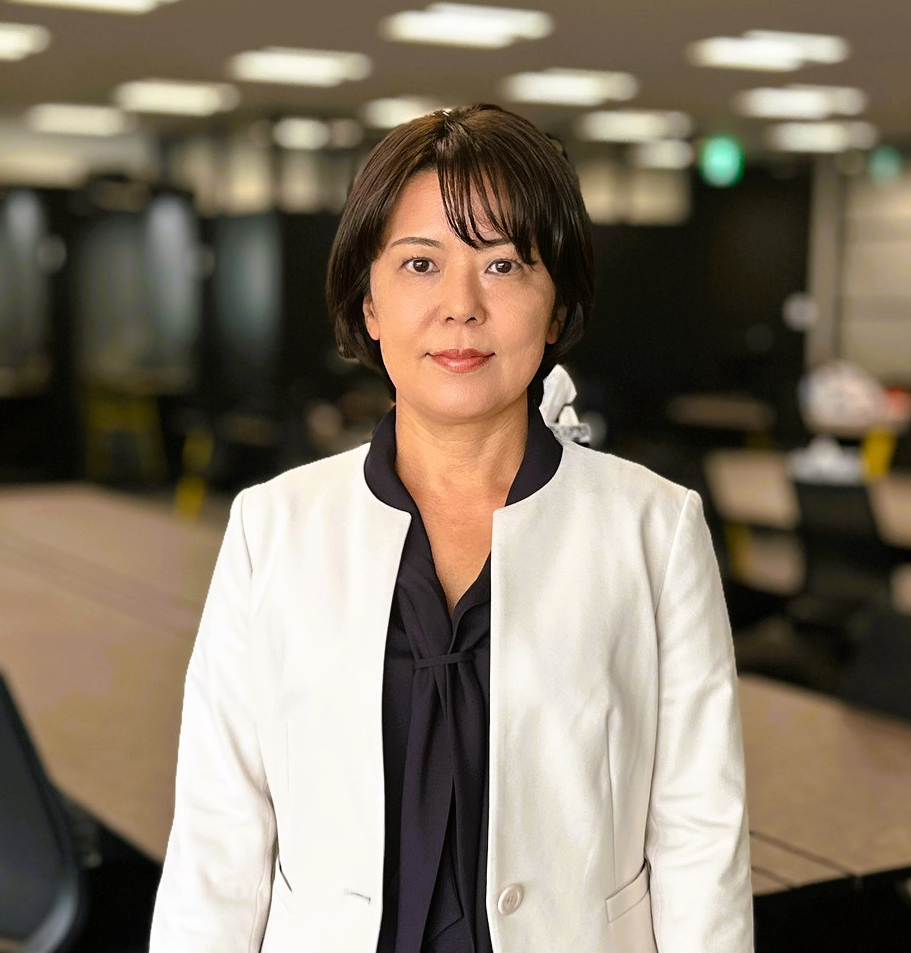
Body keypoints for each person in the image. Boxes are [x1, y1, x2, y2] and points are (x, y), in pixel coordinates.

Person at [151, 103, 751, 953]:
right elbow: (219, 835)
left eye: (503, 264)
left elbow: (699, 832)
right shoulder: (272, 527)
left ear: (555, 306)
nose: (461, 306)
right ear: (368, 302)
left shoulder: (655, 529)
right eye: (421, 263)